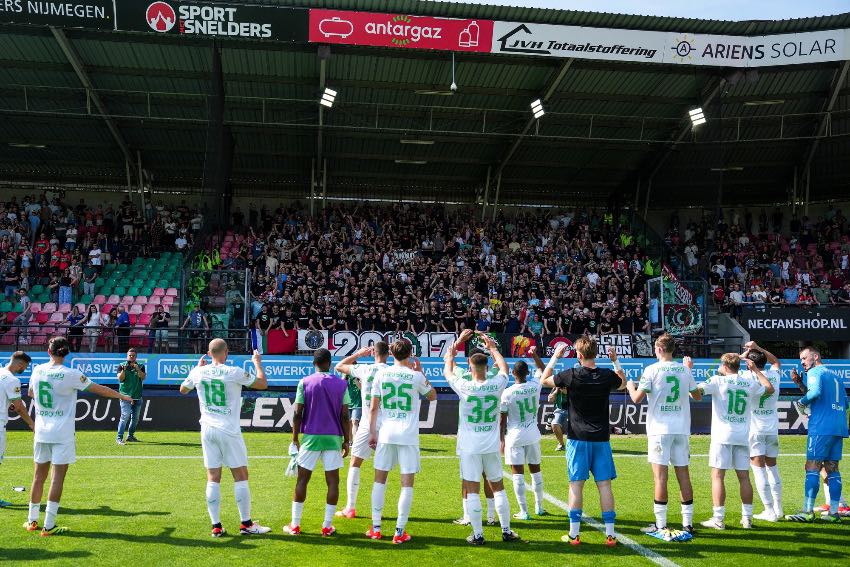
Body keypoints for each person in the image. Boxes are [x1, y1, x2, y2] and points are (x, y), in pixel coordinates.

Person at [25, 336, 133, 535]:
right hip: (62, 433)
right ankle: (49, 525)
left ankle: (31, 520)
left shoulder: (38, 370)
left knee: (38, 477)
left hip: (41, 430)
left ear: (49, 351)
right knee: (57, 478)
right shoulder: (71, 374)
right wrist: (121, 395)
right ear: (66, 353)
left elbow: (31, 393)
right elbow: (98, 389)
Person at [179, 340, 271, 537]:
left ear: (209, 353)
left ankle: (216, 526)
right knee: (241, 475)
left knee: (213, 477)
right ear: (226, 352)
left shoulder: (198, 372)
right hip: (228, 430)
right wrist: (257, 363)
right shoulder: (233, 371)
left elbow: (183, 390)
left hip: (207, 430)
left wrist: (196, 370)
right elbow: (263, 384)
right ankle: (246, 524)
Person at [540, 338, 625, 547]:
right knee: (604, 485)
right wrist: (616, 362)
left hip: (578, 439)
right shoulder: (606, 375)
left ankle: (574, 535)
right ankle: (611, 535)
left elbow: (544, 380)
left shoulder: (572, 375)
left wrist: (555, 357)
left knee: (576, 485)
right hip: (601, 439)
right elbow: (622, 383)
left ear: (579, 355)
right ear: (596, 353)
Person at [443, 331, 520, 545]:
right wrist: (493, 347)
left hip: (469, 446)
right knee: (498, 487)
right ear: (487, 367)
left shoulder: (464, 385)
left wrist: (456, 345)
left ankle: (478, 535)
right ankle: (506, 530)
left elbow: (447, 369)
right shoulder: (496, 385)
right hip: (491, 444)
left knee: (473, 488)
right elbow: (504, 368)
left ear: (470, 366)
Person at [625, 333, 701, 541]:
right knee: (683, 474)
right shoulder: (684, 370)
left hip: (660, 429)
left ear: (658, 349)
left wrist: (631, 385)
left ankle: (661, 524)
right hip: (681, 428)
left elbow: (636, 399)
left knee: (660, 477)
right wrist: (688, 373)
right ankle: (688, 523)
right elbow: (697, 396)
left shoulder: (651, 370)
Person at [365, 340, 436, 543]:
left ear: (391, 353)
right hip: (408, 435)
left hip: (386, 432)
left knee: (380, 480)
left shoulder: (381, 374)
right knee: (407, 485)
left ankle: (376, 528)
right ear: (410, 353)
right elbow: (432, 396)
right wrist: (422, 374)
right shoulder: (415, 377)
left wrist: (372, 433)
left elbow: (373, 408)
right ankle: (399, 532)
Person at [697, 353, 774, 530]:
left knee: (718, 476)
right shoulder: (749, 382)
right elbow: (769, 389)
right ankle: (747, 519)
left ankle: (719, 519)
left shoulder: (717, 381)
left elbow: (697, 392)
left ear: (724, 365)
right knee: (744, 477)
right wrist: (756, 370)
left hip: (722, 436)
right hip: (742, 435)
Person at [284, 348, 351, 537]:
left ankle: (295, 525)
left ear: (314, 363)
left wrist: (295, 439)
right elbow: (345, 416)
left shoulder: (304, 382)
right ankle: (327, 526)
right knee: (333, 482)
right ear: (329, 363)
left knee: (302, 479)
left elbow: (297, 414)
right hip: (333, 438)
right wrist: (347, 441)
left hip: (311, 437)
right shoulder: (341, 384)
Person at [785, 346, 848, 523]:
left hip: (821, 427)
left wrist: (800, 402)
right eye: (801, 360)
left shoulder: (815, 372)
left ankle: (807, 511)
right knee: (832, 469)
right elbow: (845, 403)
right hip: (838, 427)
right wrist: (800, 384)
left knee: (812, 467)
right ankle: (834, 513)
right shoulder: (836, 376)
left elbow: (815, 393)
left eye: (805, 358)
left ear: (815, 356)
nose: (803, 363)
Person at [333, 343, 389, 519]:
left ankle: (350, 507)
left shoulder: (365, 369)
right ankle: (378, 514)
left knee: (355, 463)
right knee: (383, 469)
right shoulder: (392, 371)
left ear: (374, 354)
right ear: (387, 354)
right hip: (388, 425)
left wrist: (358, 354)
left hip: (367, 424)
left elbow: (339, 366)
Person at [500, 355, 546, 520]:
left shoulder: (507, 393)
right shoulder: (535, 385)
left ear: (513, 373)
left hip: (515, 436)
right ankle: (539, 507)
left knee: (517, 474)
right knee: (536, 471)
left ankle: (524, 511)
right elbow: (543, 369)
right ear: (528, 373)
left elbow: (502, 419)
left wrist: (501, 439)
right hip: (533, 434)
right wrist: (535, 355)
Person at [742, 341, 784, 522]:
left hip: (755, 429)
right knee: (772, 469)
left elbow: (727, 365)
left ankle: (769, 511)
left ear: (749, 363)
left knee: (758, 470)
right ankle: (779, 508)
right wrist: (758, 348)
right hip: (772, 428)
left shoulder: (746, 376)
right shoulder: (774, 375)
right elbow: (776, 362)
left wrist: (744, 356)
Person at [1, 351, 35, 508]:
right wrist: (31, 424)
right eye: (26, 366)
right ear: (20, 364)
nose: (25, 369)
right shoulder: (12, 379)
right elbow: (20, 408)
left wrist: (9, 403)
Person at [116, 348, 146, 445]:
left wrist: (137, 369)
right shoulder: (121, 365)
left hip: (137, 396)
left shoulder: (140, 366)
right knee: (125, 416)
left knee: (135, 418)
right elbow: (120, 379)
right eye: (130, 355)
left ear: (136, 357)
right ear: (127, 356)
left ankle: (130, 436)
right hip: (125, 396)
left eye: (133, 356)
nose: (131, 357)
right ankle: (119, 438)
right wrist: (124, 370)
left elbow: (143, 377)